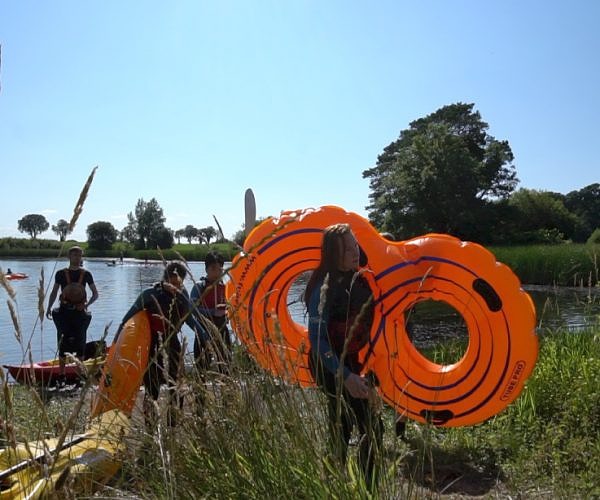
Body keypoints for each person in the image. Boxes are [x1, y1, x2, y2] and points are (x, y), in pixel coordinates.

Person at [304, 223, 383, 490]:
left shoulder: (359, 278)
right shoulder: (321, 288)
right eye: (348, 248)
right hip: (328, 365)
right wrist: (345, 376)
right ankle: (342, 485)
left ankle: (363, 486)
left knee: (367, 427)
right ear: (333, 254)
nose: (355, 252)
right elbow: (316, 339)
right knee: (348, 428)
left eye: (355, 245)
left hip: (352, 359)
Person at [117, 261, 209, 428]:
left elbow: (189, 318)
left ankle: (173, 422)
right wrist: (117, 341)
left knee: (177, 383)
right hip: (150, 344)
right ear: (164, 278)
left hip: (172, 341)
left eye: (178, 283)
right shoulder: (150, 294)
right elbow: (127, 318)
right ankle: (150, 424)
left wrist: (203, 335)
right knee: (153, 387)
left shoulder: (182, 295)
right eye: (171, 282)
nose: (175, 287)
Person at [46, 245, 99, 382]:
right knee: (62, 343)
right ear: (69, 257)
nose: (77, 257)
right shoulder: (60, 274)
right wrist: (48, 307)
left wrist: (87, 305)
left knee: (80, 343)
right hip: (63, 313)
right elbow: (53, 292)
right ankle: (62, 375)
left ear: (82, 257)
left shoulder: (86, 274)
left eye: (79, 255)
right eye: (74, 255)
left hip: (80, 314)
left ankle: (80, 376)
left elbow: (95, 294)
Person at [191, 251, 232, 374]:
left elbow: (230, 306)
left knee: (226, 361)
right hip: (203, 330)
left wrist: (228, 312)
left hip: (222, 328)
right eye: (213, 268)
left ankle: (227, 388)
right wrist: (211, 312)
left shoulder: (225, 287)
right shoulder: (200, 286)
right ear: (206, 269)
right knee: (202, 362)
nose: (217, 272)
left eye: (220, 269)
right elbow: (192, 309)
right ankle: (200, 388)